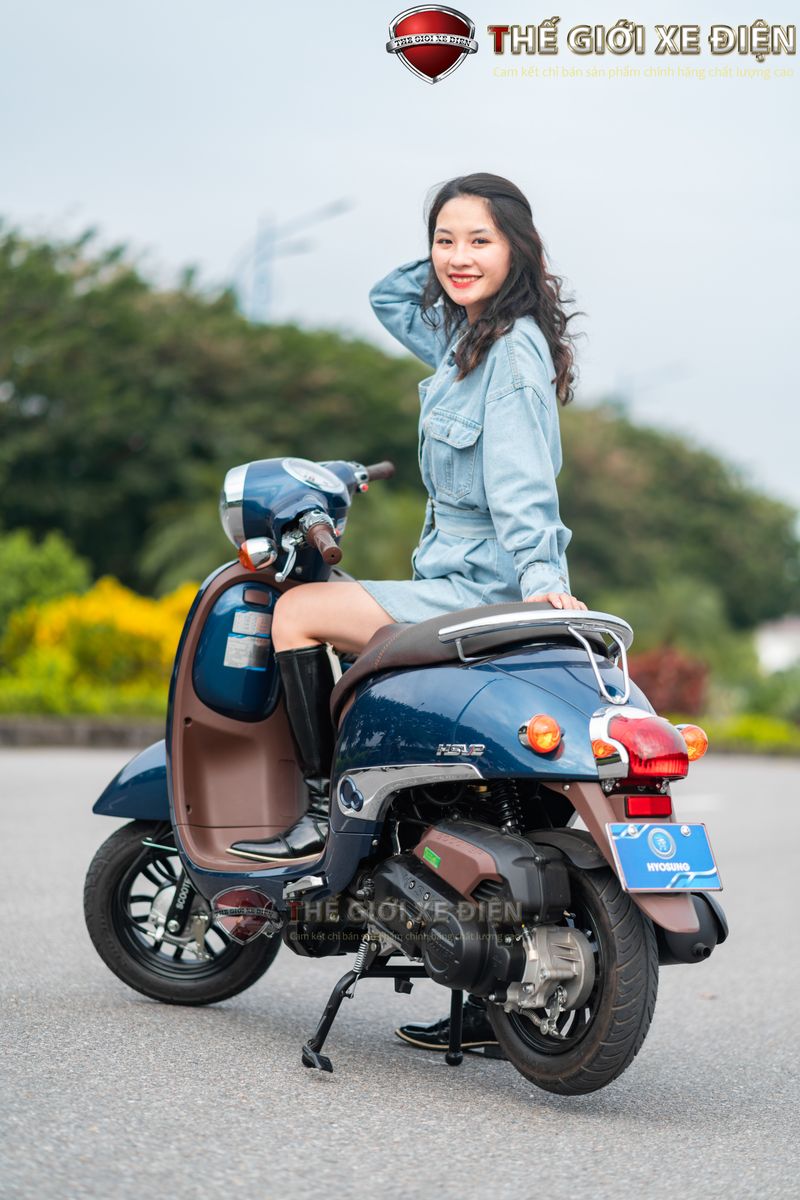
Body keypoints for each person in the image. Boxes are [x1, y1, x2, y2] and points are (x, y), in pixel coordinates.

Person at [230, 171, 586, 1053]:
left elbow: (521, 486)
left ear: (519, 249)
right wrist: (460, 265)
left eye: (480, 241)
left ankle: (322, 809)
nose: (458, 257)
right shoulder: (469, 333)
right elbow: (390, 298)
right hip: (459, 575)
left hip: (478, 584)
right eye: (444, 240)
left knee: (297, 614)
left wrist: (542, 576)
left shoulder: (507, 354)